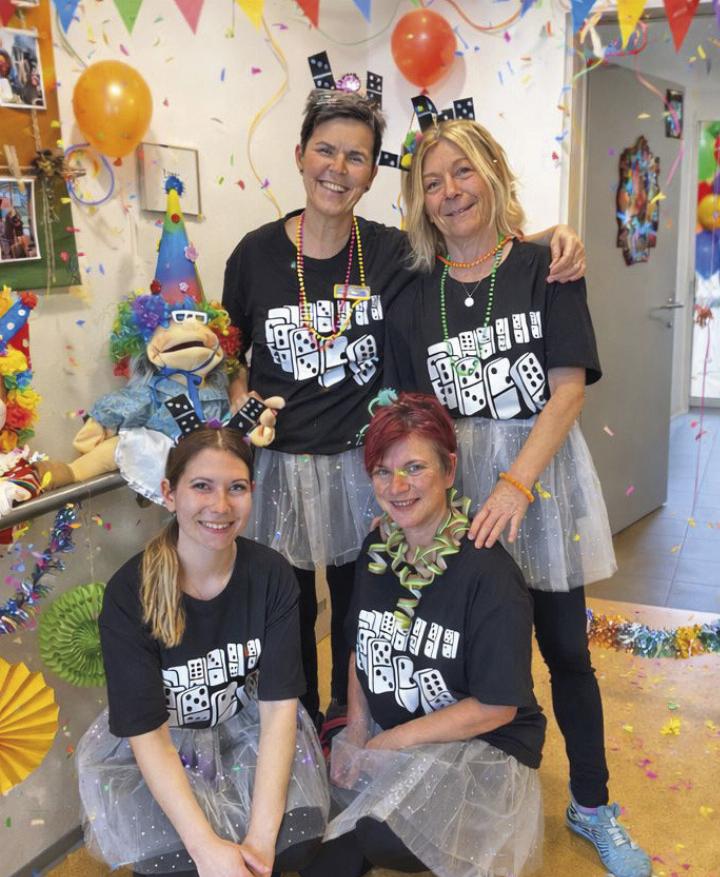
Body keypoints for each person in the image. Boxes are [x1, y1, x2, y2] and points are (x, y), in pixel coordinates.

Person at [222, 88, 585, 731]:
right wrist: (239, 398)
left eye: (356, 157)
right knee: (288, 614)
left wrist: (552, 237)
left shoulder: (392, 252)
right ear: (300, 155)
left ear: (372, 174)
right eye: (326, 151)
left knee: (365, 611)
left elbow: (473, 247)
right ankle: (296, 740)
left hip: (364, 466)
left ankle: (347, 727)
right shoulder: (254, 254)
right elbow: (231, 351)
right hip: (282, 468)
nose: (338, 169)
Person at [385, 118, 651, 877]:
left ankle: (592, 803)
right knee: (469, 661)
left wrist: (515, 483)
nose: (449, 192)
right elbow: (411, 412)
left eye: (463, 172)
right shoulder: (415, 291)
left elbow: (567, 391)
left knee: (566, 651)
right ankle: (467, 795)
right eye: (432, 183)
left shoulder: (546, 267)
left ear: (494, 173)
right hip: (455, 493)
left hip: (541, 483)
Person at [300, 392, 545, 877]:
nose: (397, 487)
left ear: (449, 470)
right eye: (382, 472)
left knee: (381, 834)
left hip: (478, 748)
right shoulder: (376, 548)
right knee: (313, 850)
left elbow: (497, 707)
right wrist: (355, 730)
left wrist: (389, 744)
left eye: (414, 468)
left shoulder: (489, 574)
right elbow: (361, 649)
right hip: (396, 734)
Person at [76, 424, 329, 877]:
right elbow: (148, 734)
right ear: (169, 494)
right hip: (165, 747)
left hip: (245, 732)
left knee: (294, 847)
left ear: (252, 492)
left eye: (236, 488)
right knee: (183, 865)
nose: (220, 506)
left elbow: (278, 710)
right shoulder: (129, 592)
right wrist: (205, 848)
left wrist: (261, 839)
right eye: (201, 486)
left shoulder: (271, 574)